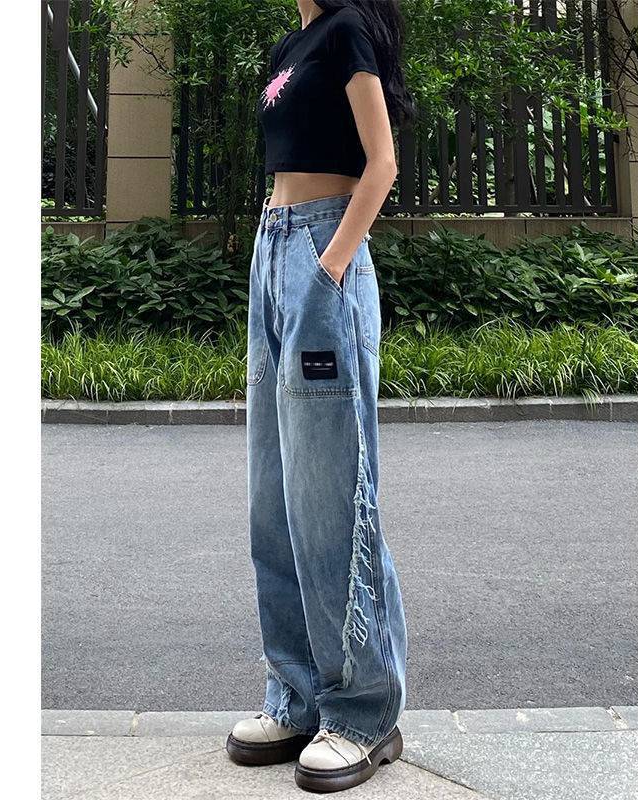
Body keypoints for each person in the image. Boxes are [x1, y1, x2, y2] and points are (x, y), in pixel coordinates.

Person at [225, 0, 414, 792]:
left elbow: (382, 162)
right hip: (274, 251)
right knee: (273, 496)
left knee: (331, 493)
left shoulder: (346, 31)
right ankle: (298, 696)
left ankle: (364, 713)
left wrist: (330, 267)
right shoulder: (290, 44)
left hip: (320, 251)